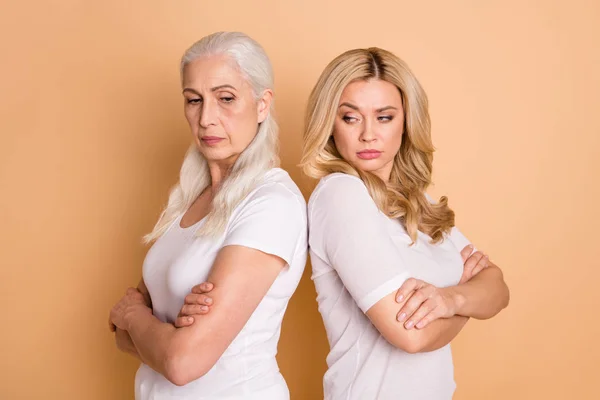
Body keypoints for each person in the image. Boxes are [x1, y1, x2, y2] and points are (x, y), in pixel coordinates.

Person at [300, 47, 510, 399]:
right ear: (329, 124)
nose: (368, 134)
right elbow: (411, 336)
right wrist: (466, 302)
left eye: (384, 117)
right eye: (350, 118)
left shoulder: (420, 205)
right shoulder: (340, 194)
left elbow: (499, 289)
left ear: (406, 121)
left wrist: (450, 300)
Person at [108, 31, 307, 400]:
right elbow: (121, 340)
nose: (206, 119)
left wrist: (136, 318)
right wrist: (158, 335)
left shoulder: (271, 203)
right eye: (193, 100)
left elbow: (181, 363)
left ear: (262, 105)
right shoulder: (190, 198)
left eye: (226, 98)